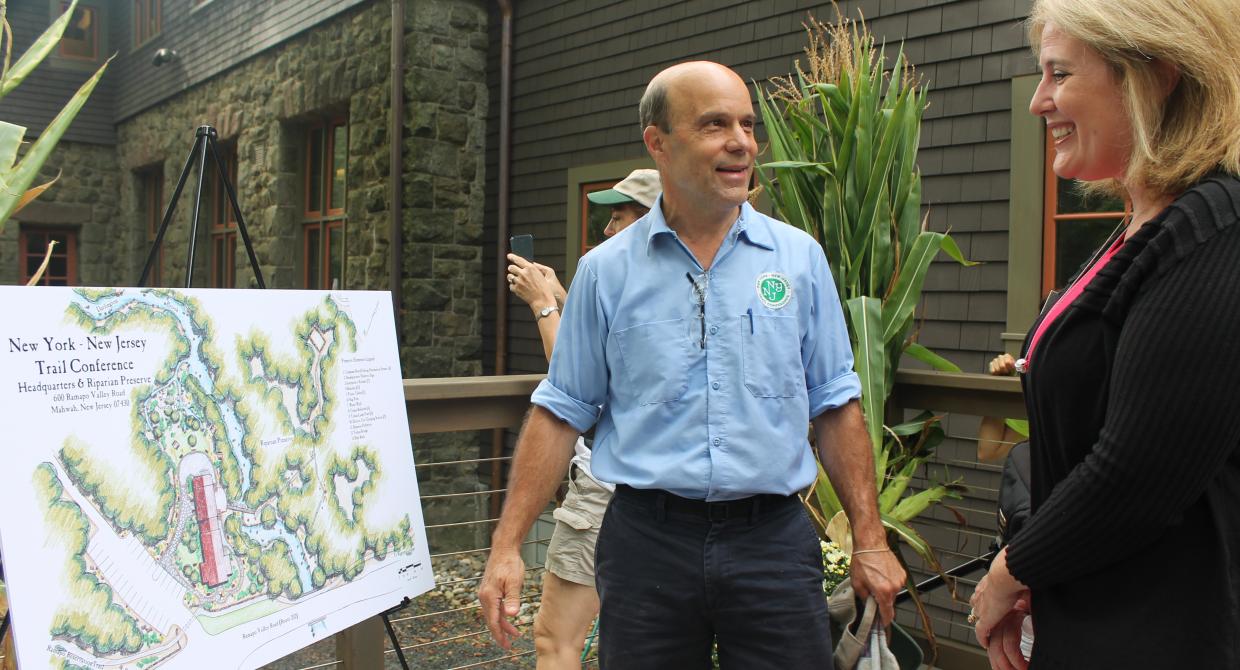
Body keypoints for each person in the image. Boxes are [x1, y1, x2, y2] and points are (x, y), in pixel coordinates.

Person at [479, 60, 904, 669]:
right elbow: (560, 411)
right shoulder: (606, 271)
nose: (741, 142)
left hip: (773, 544)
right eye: (713, 125)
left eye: (747, 125)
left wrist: (869, 539)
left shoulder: (798, 260)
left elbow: (835, 404)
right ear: (658, 141)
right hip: (647, 542)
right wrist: (506, 545)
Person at [968, 1, 1240, 668]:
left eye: (1059, 74)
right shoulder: (1145, 225)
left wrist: (1012, 571)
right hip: (1094, 615)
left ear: (1155, 74)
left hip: (1165, 631)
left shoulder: (1213, 228)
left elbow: (1139, 473)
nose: (1039, 102)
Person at [504, 168, 660, 669]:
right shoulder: (677, 283)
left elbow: (576, 381)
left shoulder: (635, 280)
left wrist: (543, 305)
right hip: (658, 497)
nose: (607, 231)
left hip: (608, 488)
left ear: (650, 220)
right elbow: (610, 348)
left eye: (618, 218)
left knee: (555, 640)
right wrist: (568, 297)